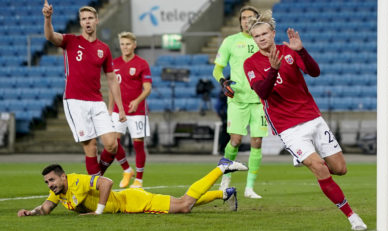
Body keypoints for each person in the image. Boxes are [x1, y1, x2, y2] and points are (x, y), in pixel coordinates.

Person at [243, 10, 367, 230]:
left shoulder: (288, 51)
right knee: (319, 167)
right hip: (287, 127)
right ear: (253, 39)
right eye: (256, 36)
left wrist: (302, 51)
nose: (261, 38)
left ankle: (305, 157)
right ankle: (352, 217)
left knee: (339, 169)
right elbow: (262, 92)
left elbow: (314, 72)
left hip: (312, 118)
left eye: (264, 33)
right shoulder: (250, 63)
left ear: (273, 33)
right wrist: (273, 70)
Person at [42, 1, 127, 176]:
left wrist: (121, 107)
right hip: (75, 101)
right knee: (91, 146)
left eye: (90, 18)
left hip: (96, 101)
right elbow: (50, 36)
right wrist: (48, 18)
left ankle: (96, 177)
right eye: (83, 19)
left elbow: (112, 79)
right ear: (80, 23)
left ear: (97, 20)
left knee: (112, 144)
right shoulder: (71, 41)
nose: (87, 21)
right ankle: (95, 185)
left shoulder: (104, 49)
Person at [17, 159, 248, 216]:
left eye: (52, 181)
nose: (50, 185)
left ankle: (221, 168)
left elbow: (107, 182)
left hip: (132, 202)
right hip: (130, 201)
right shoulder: (58, 191)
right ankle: (224, 193)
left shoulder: (77, 180)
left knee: (184, 205)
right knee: (182, 203)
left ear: (63, 177)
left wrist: (98, 211)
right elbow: (47, 207)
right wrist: (32, 212)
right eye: (47, 182)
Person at [213, 5, 268, 199]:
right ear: (240, 21)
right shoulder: (230, 41)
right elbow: (217, 69)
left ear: (257, 20)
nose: (246, 21)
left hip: (259, 99)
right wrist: (222, 82)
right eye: (243, 18)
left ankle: (249, 188)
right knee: (235, 141)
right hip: (237, 99)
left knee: (257, 142)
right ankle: (225, 178)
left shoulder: (264, 40)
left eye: (250, 17)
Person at [107, 32, 152, 189]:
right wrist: (109, 108)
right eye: (122, 44)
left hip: (137, 111)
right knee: (112, 142)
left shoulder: (142, 64)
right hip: (118, 110)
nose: (125, 47)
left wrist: (137, 100)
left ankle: (139, 179)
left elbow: (148, 88)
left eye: (127, 44)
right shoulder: (113, 63)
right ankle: (127, 169)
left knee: (138, 144)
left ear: (134, 45)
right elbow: (112, 88)